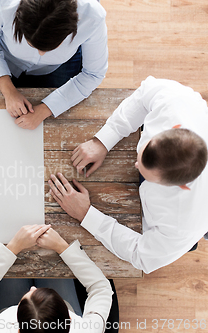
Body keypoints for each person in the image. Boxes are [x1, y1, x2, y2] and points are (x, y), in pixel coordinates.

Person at [49, 76, 208, 273]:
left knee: (174, 247)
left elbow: (140, 255)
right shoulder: (175, 102)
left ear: (181, 186)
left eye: (146, 173)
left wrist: (86, 214)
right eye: (142, 154)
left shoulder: (182, 224)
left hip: (185, 222)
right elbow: (144, 95)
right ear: (173, 128)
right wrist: (104, 140)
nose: (134, 164)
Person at [0, 0, 108, 130]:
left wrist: (45, 109)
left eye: (51, 48)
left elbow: (93, 74)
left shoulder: (93, 16)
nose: (41, 54)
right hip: (2, 54)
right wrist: (8, 90)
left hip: (59, 66)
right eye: (31, 44)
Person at [0, 224, 113, 333]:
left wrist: (14, 247)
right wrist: (61, 247)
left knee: (9, 235)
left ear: (19, 330)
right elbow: (102, 289)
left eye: (30, 293)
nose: (33, 288)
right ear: (69, 320)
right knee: (51, 258)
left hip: (7, 313)